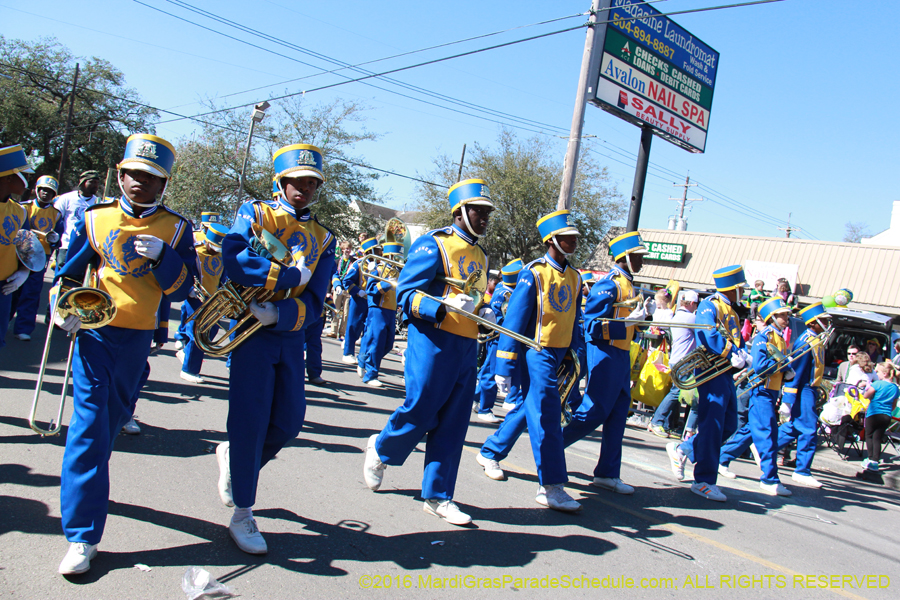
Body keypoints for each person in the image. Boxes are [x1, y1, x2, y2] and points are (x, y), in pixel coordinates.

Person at [53, 134, 196, 575]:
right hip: (95, 334)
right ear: (120, 173)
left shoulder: (176, 228)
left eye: (150, 177)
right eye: (133, 173)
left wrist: (164, 260)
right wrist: (62, 308)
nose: (139, 182)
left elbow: (184, 289)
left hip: (137, 341)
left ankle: (89, 497)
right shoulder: (96, 218)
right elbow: (69, 273)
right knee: (89, 430)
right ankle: (81, 536)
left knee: (109, 427)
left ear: (163, 185)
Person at [216, 143, 335, 555]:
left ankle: (236, 465)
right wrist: (284, 274)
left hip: (285, 333)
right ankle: (243, 512)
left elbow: (317, 300)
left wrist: (280, 314)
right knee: (250, 422)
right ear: (280, 182)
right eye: (296, 181)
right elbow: (233, 258)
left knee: (288, 423)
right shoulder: (256, 212)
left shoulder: (325, 236)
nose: (303, 189)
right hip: (249, 334)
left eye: (310, 183)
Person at [363, 178, 494, 526]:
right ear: (460, 211)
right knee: (421, 409)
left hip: (466, 346)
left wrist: (484, 312)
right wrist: (442, 305)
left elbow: (475, 296)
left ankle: (438, 496)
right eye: (477, 211)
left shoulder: (481, 254)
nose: (483, 218)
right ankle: (381, 448)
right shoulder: (433, 244)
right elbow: (406, 293)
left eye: (487, 213)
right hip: (433, 341)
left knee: (454, 422)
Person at [475, 211, 583, 511]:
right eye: (567, 238)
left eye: (574, 237)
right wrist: (504, 365)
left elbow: (573, 320)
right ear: (551, 240)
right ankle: (551, 486)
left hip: (559, 352)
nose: (573, 242)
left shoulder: (574, 277)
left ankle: (490, 451)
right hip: (535, 351)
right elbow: (514, 321)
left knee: (528, 407)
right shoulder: (533, 273)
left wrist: (573, 355)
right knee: (547, 412)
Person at [562, 231, 653, 496]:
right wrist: (626, 323)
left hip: (622, 355)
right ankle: (551, 449)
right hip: (605, 353)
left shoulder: (628, 284)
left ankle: (607, 472)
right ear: (625, 256)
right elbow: (591, 326)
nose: (642, 261)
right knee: (595, 411)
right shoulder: (609, 284)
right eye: (638, 256)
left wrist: (642, 320)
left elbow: (627, 323)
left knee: (618, 414)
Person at [666, 265, 748, 502]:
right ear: (731, 288)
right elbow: (706, 333)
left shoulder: (731, 310)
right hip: (711, 370)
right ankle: (703, 480)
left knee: (730, 425)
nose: (742, 291)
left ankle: (685, 448)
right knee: (712, 426)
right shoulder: (709, 304)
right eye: (739, 287)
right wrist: (729, 351)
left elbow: (734, 337)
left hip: (725, 372)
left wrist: (742, 354)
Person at [717, 298, 795, 496]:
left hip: (771, 391)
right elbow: (760, 367)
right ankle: (769, 479)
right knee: (768, 434)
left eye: (786, 315)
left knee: (752, 431)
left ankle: (721, 457)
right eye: (782, 315)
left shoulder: (779, 338)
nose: (786, 318)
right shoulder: (764, 337)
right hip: (762, 391)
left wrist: (785, 369)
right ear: (772, 317)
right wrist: (782, 365)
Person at [774, 302, 832, 488]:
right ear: (813, 323)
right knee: (808, 429)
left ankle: (764, 447)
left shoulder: (816, 339)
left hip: (810, 389)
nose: (826, 322)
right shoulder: (806, 341)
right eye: (823, 320)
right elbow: (796, 373)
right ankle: (802, 470)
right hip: (804, 389)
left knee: (794, 428)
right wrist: (788, 400)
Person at [12, 175, 64, 340]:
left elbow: (59, 236)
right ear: (36, 189)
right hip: (19, 254)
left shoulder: (56, 214)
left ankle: (23, 328)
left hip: (40, 257)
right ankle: (5, 320)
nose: (46, 194)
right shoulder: (23, 208)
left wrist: (55, 240)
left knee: (31, 292)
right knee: (11, 289)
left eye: (50, 192)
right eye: (43, 190)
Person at [176, 223, 228, 384]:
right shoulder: (195, 252)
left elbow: (223, 277)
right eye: (214, 246)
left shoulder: (222, 255)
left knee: (212, 331)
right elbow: (183, 272)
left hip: (213, 299)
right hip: (196, 297)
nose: (216, 250)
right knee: (198, 333)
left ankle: (186, 352)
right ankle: (188, 370)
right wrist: (189, 288)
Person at [474, 258, 523, 423]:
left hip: (505, 338)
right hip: (499, 338)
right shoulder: (505, 292)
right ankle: (485, 408)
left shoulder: (505, 289)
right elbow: (497, 316)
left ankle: (475, 400)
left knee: (490, 370)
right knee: (492, 372)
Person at [649, 290, 700, 438]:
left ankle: (667, 424)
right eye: (695, 304)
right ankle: (657, 421)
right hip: (685, 361)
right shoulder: (691, 318)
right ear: (691, 303)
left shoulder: (677, 315)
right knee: (677, 392)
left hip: (676, 359)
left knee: (678, 393)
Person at [0, 144, 34, 350]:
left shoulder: (20, 212)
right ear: (8, 177)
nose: (27, 181)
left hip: (4, 288)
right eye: (23, 175)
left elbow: (28, 247)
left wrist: (24, 271)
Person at [356, 242, 402, 387]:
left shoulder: (399, 273)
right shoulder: (377, 270)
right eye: (393, 256)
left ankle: (364, 358)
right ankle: (370, 375)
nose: (396, 260)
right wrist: (388, 283)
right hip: (378, 309)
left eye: (397, 257)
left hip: (391, 311)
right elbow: (371, 290)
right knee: (376, 342)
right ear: (387, 255)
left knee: (388, 344)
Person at [53, 170, 101, 269]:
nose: (96, 185)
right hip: (66, 245)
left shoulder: (98, 202)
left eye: (97, 183)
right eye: (92, 182)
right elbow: (55, 219)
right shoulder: (67, 198)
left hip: (85, 249)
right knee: (62, 274)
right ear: (83, 182)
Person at [340, 237, 377, 364]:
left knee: (368, 329)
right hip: (359, 299)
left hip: (372, 300)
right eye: (375, 251)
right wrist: (358, 291)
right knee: (353, 326)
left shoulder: (378, 265)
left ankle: (363, 356)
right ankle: (348, 352)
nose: (378, 254)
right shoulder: (358, 264)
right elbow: (347, 281)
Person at [861, 362, 900, 473]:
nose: (876, 373)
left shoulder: (877, 384)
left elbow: (866, 395)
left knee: (869, 436)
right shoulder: (895, 388)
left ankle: (869, 458)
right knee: (878, 437)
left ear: (884, 373)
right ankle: (875, 462)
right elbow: (893, 405)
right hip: (886, 415)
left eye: (877, 371)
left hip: (874, 413)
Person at [327, 240, 354, 338]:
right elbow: (332, 276)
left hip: (348, 290)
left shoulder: (354, 261)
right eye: (346, 248)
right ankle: (333, 331)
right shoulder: (337, 261)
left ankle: (342, 332)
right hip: (337, 288)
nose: (348, 250)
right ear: (342, 250)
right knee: (335, 310)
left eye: (349, 248)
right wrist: (329, 291)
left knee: (346, 312)